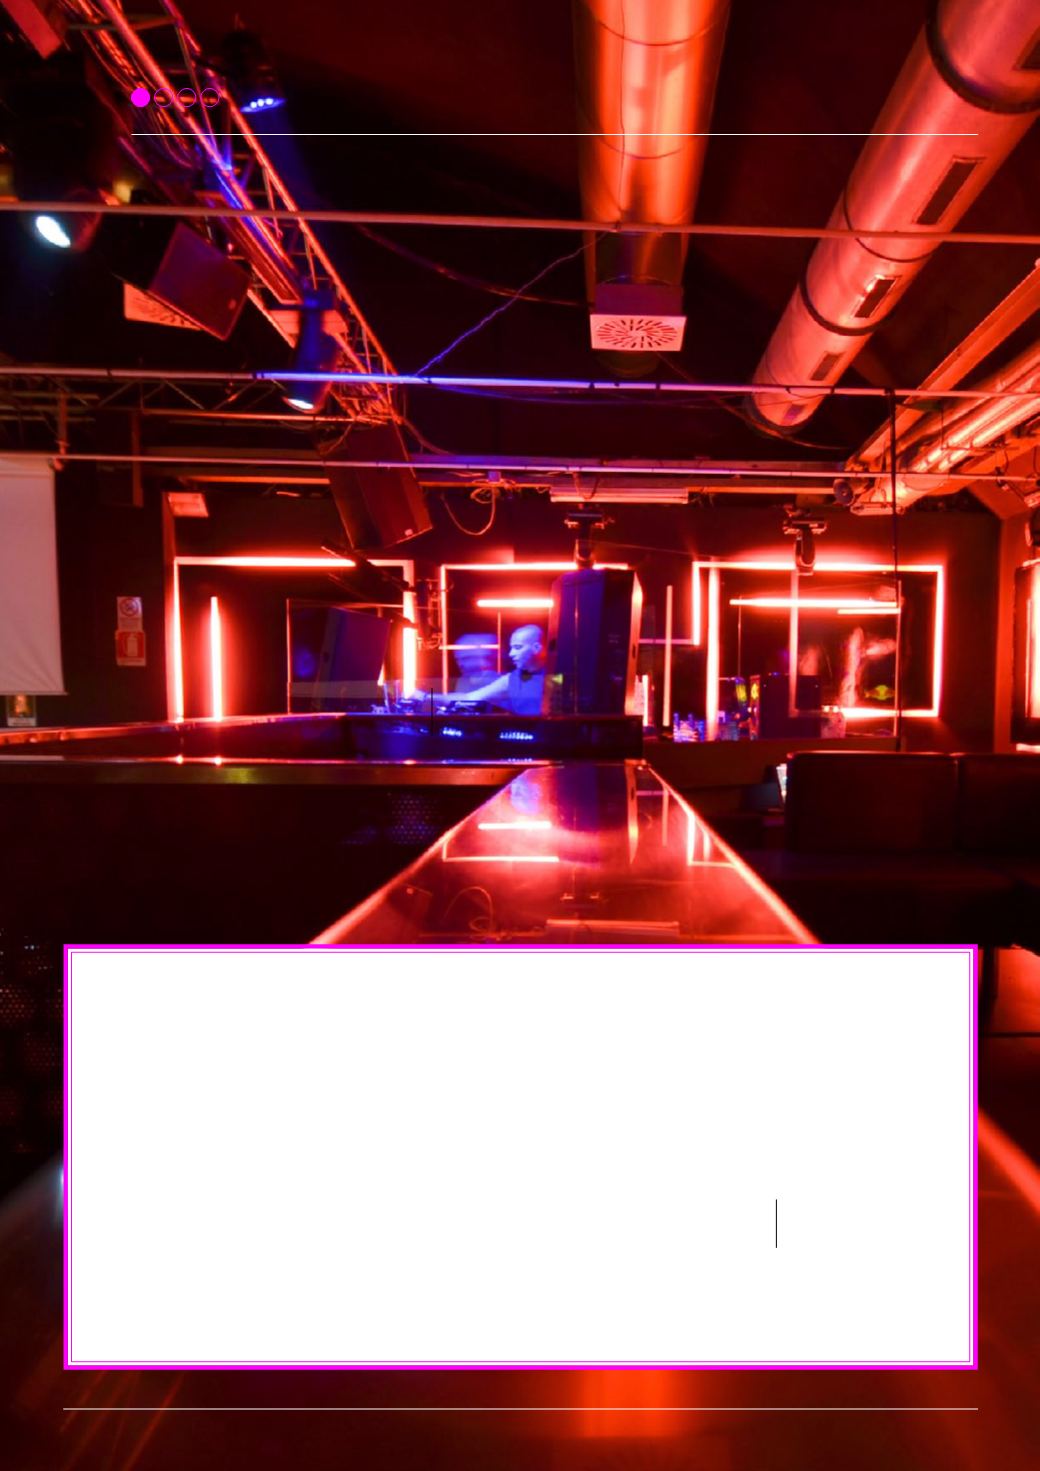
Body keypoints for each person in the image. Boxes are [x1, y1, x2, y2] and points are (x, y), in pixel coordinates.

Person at [459, 624, 547, 715]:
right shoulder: (513, 679)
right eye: (511, 648)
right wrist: (448, 698)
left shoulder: (553, 676)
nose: (511, 654)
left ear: (536, 648)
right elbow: (470, 698)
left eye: (517, 647)